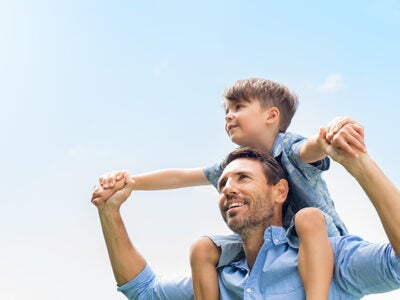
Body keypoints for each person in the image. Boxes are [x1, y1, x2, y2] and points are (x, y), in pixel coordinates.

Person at [94, 78, 366, 300]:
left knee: (307, 218)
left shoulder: (290, 148)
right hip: (266, 243)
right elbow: (180, 177)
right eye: (226, 111)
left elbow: (312, 149)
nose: (229, 116)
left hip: (315, 238)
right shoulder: (235, 167)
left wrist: (330, 135)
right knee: (203, 248)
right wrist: (129, 182)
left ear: (272, 115)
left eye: (238, 107)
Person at [91, 128, 400, 299]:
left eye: (243, 178)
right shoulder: (219, 281)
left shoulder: (328, 259)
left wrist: (359, 165)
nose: (227, 188)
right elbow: (143, 290)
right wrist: (110, 211)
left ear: (280, 191)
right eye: (223, 183)